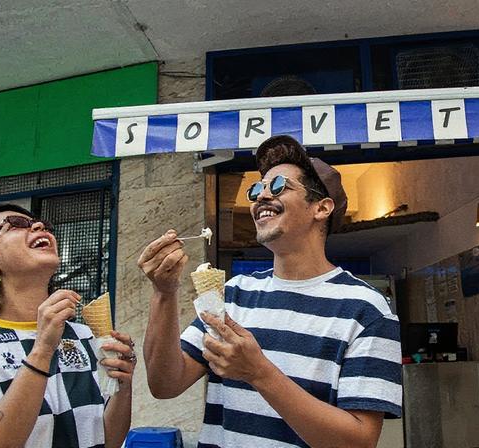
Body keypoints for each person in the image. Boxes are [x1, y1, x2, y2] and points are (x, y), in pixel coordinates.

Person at [140, 135, 402, 447]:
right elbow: (164, 384)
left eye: (278, 186)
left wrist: (259, 373)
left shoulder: (367, 309)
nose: (261, 197)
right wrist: (164, 293)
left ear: (321, 207)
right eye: (256, 189)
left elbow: (359, 441)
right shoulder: (234, 294)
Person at [0, 204, 135, 448]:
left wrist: (123, 385)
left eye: (42, 224)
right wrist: (42, 350)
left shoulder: (84, 336)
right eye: (16, 224)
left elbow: (107, 441)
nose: (39, 226)